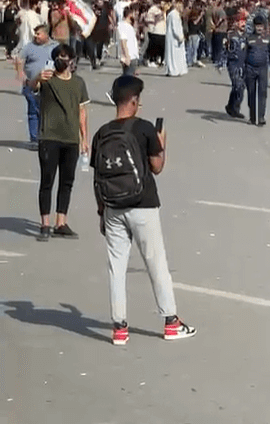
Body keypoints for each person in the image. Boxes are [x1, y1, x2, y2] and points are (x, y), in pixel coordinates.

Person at [92, 74, 195, 345]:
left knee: (116, 267)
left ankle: (119, 328)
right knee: (156, 263)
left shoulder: (102, 133)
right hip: (143, 204)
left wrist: (102, 212)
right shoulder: (145, 128)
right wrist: (162, 142)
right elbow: (157, 167)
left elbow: (97, 177)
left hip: (112, 206)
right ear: (135, 101)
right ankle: (171, 322)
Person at [30, 44, 89, 241]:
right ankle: (45, 224)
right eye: (60, 57)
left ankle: (60, 222)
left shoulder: (79, 83)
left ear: (72, 60)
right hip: (49, 137)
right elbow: (31, 86)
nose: (63, 60)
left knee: (67, 182)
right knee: (47, 182)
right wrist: (38, 77)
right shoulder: (47, 79)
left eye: (66, 57)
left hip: (71, 139)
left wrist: (84, 139)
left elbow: (82, 112)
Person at [15, 24, 59, 148]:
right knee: (33, 111)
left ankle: (47, 137)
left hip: (50, 85)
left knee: (48, 111)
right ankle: (35, 139)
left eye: (38, 33)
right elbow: (20, 60)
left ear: (46, 34)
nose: (36, 36)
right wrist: (21, 75)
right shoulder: (29, 47)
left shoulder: (55, 47)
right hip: (31, 83)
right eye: (35, 33)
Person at [241, 16, 270, 126]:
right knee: (251, 93)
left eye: (261, 26)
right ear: (254, 26)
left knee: (263, 93)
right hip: (250, 68)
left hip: (262, 69)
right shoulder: (249, 38)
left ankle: (261, 117)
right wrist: (242, 69)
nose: (259, 28)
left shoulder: (268, 39)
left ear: (264, 27)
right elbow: (244, 54)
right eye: (257, 26)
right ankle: (252, 117)